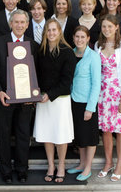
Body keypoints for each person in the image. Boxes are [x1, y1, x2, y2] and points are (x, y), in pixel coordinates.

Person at [0, 10, 39, 184]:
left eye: (23, 22)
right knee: (3, 135)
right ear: (10, 23)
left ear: (27, 24)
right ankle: (6, 171)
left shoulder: (33, 45)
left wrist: (34, 93)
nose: (19, 25)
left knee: (23, 135)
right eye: (16, 22)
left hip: (26, 101)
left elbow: (37, 72)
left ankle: (22, 170)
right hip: (4, 99)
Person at [34, 19, 76, 184]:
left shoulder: (67, 52)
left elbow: (67, 81)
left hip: (59, 100)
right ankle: (51, 165)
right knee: (47, 134)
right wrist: (35, 92)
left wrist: (50, 95)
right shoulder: (41, 50)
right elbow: (35, 75)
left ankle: (61, 165)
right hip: (43, 100)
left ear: (59, 32)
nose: (51, 33)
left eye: (54, 30)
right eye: (48, 30)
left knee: (60, 135)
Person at [94, 14, 121, 182]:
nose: (107, 29)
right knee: (106, 130)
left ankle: (119, 165)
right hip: (102, 93)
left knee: (120, 130)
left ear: (117, 27)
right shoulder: (98, 45)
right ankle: (108, 162)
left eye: (110, 26)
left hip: (118, 93)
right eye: (104, 26)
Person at [66, 26, 101, 181]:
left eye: (82, 37)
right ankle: (81, 164)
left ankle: (88, 168)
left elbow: (96, 84)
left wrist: (90, 108)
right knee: (79, 136)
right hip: (73, 100)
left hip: (87, 102)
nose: (79, 40)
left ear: (88, 39)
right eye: (77, 36)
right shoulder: (70, 53)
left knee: (90, 137)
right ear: (73, 38)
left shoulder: (93, 56)